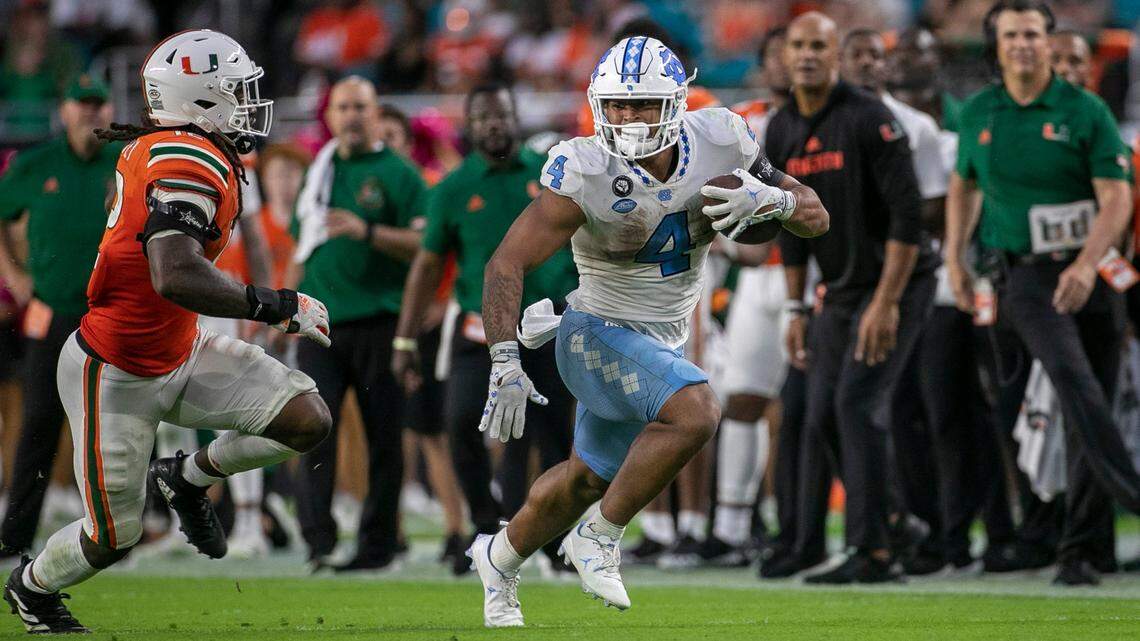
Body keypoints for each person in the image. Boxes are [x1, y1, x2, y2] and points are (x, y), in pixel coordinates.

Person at [466, 35, 828, 627]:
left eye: (643, 104)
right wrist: (504, 359)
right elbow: (506, 263)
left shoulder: (722, 139)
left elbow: (817, 216)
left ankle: (499, 557)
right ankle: (600, 537)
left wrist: (777, 203)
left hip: (661, 339)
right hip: (593, 331)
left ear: (676, 104)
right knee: (698, 410)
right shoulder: (585, 166)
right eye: (617, 104)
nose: (628, 117)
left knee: (584, 479)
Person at [2, 30, 334, 634]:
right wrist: (275, 304)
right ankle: (31, 587)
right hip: (115, 371)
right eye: (234, 90)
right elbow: (173, 272)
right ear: (198, 98)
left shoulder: (172, 146)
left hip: (181, 351)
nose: (246, 102)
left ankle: (185, 476)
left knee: (306, 418)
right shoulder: (186, 158)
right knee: (112, 537)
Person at [945, 0, 1140, 586]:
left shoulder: (1085, 110)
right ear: (997, 44)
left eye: (1032, 33)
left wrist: (1086, 264)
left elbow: (1117, 198)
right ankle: (1131, 493)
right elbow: (963, 184)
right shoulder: (980, 112)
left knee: (1092, 399)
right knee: (1074, 382)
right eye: (1012, 35)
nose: (1023, 44)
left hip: (1092, 273)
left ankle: (1081, 550)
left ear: (1047, 41)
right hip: (1024, 276)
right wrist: (955, 256)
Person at [769, 12, 939, 583]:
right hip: (839, 293)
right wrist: (796, 308)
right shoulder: (780, 129)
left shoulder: (870, 117)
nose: (808, 55)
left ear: (835, 55)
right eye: (799, 45)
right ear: (785, 55)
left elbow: (909, 216)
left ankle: (874, 554)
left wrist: (886, 303)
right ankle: (894, 522)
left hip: (899, 283)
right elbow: (788, 227)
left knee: (857, 406)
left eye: (819, 45)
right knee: (820, 414)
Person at [392, 83, 578, 576]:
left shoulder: (551, 174)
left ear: (516, 118)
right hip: (479, 331)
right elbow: (428, 265)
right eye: (482, 117)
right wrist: (405, 339)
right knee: (459, 423)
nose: (493, 124)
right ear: (469, 125)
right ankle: (484, 528)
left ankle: (558, 542)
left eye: (501, 114)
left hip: (549, 326)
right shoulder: (452, 188)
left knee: (556, 437)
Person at [290, 76, 427, 572]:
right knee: (310, 430)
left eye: (360, 107)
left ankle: (376, 547)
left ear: (375, 114)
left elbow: (424, 245)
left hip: (379, 322)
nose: (351, 116)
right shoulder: (319, 171)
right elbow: (303, 247)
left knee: (384, 439)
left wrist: (366, 231)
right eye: (343, 107)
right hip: (319, 324)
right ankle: (318, 541)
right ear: (330, 116)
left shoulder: (400, 173)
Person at [0, 75, 119, 560]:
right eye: (81, 104)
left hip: (111, 314)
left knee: (119, 421)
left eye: (98, 104)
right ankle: (15, 537)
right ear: (65, 111)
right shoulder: (36, 163)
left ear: (110, 110)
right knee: (39, 423)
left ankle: (128, 531)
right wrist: (14, 274)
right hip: (51, 312)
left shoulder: (126, 160)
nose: (90, 112)